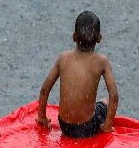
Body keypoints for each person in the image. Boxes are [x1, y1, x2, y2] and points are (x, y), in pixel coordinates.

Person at [36, 10, 119, 138]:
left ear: (74, 36)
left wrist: (42, 117)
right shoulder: (102, 61)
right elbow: (113, 95)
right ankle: (101, 116)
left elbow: (44, 89)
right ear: (99, 38)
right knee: (105, 101)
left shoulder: (63, 58)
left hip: (65, 126)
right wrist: (107, 125)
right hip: (87, 128)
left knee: (95, 103)